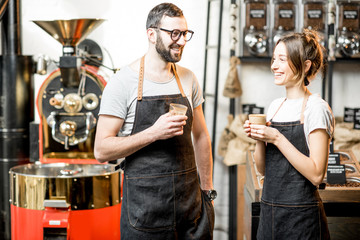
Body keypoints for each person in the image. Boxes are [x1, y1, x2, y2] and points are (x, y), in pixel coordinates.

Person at [94, 3, 215, 240]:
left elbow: (201, 136)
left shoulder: (188, 79)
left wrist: (207, 191)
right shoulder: (122, 83)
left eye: (185, 34)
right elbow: (101, 149)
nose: (181, 41)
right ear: (152, 34)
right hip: (144, 214)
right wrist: (153, 132)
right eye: (174, 34)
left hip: (190, 209)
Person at [244, 29, 334, 240]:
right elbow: (263, 168)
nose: (274, 66)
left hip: (302, 218)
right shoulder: (276, 106)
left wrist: (276, 137)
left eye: (282, 60)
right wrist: (259, 139)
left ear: (305, 65)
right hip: (270, 214)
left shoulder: (316, 108)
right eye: (274, 59)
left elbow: (316, 174)